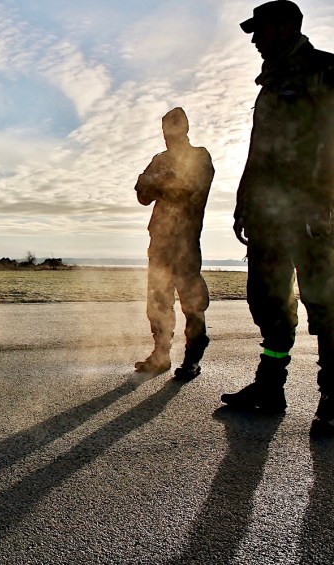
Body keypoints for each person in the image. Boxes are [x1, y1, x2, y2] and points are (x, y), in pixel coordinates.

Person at [221, 1, 334, 435]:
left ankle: (332, 396)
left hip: (313, 214)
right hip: (268, 215)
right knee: (268, 302)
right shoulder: (269, 83)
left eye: (260, 29)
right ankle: (270, 388)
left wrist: (324, 204)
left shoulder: (323, 71)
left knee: (324, 301)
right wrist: (244, 203)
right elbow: (258, 152)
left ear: (287, 26)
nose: (253, 39)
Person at [134, 107, 214, 379]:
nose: (170, 132)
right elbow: (142, 195)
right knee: (157, 300)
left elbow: (188, 185)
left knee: (192, 301)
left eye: (175, 126)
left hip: (185, 242)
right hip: (159, 241)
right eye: (166, 126)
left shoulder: (199, 156)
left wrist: (155, 181)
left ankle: (193, 356)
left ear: (186, 127)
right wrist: (160, 181)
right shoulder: (160, 159)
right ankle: (161, 354)